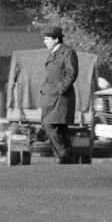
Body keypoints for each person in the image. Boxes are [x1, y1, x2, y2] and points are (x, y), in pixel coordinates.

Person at [38, 25, 79, 164]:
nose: (44, 41)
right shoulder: (52, 53)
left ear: (56, 39)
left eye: (47, 39)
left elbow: (71, 73)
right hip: (49, 97)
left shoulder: (67, 52)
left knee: (49, 125)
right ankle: (66, 157)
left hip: (61, 97)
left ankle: (63, 153)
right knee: (60, 128)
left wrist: (60, 89)